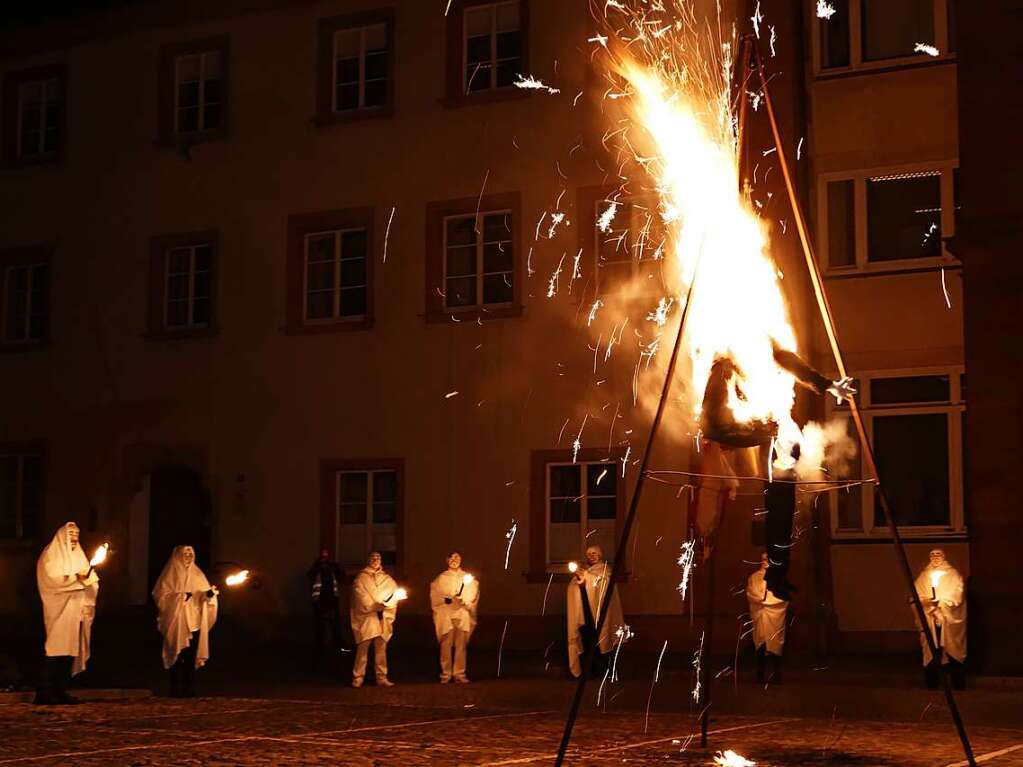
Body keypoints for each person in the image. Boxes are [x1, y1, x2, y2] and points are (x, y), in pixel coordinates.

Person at [692, 346, 855, 598]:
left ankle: (777, 571)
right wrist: (756, 426)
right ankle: (776, 568)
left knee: (784, 487)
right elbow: (714, 421)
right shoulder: (724, 364)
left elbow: (791, 363)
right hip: (737, 427)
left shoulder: (766, 347)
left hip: (769, 427)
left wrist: (829, 385)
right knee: (779, 476)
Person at [34, 522, 99, 705]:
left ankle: (60, 690)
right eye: (70, 535)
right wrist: (77, 580)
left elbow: (91, 580)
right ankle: (44, 691)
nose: (73, 539)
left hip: (75, 611)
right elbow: (53, 580)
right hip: (59, 610)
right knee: (55, 649)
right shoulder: (51, 555)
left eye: (76, 535)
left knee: (69, 651)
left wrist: (86, 581)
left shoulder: (79, 556)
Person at [152, 546, 219, 697]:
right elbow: (160, 595)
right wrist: (180, 597)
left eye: (191, 553)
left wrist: (208, 595)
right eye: (185, 553)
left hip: (193, 622)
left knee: (189, 656)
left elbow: (202, 596)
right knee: (177, 654)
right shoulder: (170, 573)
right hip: (176, 621)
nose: (188, 556)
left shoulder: (198, 575)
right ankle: (175, 688)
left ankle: (189, 688)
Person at [566, 545, 625, 678]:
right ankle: (590, 672)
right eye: (589, 554)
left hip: (600, 619)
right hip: (586, 619)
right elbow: (573, 588)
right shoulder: (584, 571)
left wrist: (586, 577)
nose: (592, 556)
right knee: (588, 646)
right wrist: (580, 581)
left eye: (594, 553)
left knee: (602, 647)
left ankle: (604, 672)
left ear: (600, 555)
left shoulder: (605, 572)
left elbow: (601, 584)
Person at [914, 549, 967, 690]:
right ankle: (932, 683)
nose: (935, 557)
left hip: (947, 620)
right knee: (932, 649)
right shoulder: (924, 576)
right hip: (930, 619)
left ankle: (957, 683)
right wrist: (929, 604)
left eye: (938, 555)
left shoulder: (953, 574)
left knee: (951, 649)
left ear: (944, 556)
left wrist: (942, 604)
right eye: (932, 555)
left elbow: (958, 594)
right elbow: (916, 596)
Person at [350, 551, 400, 688]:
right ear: (368, 560)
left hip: (382, 618)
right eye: (372, 557)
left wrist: (386, 605)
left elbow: (394, 595)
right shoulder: (361, 578)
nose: (375, 559)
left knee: (381, 650)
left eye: (378, 557)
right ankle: (358, 677)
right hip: (368, 618)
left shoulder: (387, 579)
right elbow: (360, 595)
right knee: (363, 649)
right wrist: (373, 606)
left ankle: (381, 677)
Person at [430, 551, 479, 684]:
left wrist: (464, 600)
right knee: (446, 645)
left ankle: (459, 673)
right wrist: (449, 599)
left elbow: (473, 594)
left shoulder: (467, 578)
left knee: (460, 646)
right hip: (447, 616)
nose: (454, 560)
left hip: (462, 614)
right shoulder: (441, 579)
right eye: (452, 557)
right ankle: (446, 674)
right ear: (447, 560)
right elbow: (436, 596)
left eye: (457, 557)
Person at [746, 552, 788, 683]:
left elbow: (783, 597)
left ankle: (776, 673)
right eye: (763, 559)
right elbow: (750, 594)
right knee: (761, 643)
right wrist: (760, 599)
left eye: (768, 559)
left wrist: (768, 601)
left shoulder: (778, 578)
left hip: (775, 616)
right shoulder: (754, 577)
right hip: (760, 614)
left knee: (774, 643)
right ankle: (760, 672)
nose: (765, 562)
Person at [307, 548, 346, 666]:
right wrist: (317, 566)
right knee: (320, 630)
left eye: (326, 554)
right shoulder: (316, 567)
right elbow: (310, 577)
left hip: (332, 603)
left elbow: (341, 577)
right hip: (319, 604)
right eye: (323, 554)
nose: (324, 556)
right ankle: (320, 653)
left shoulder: (333, 567)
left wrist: (334, 567)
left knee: (335, 629)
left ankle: (339, 652)